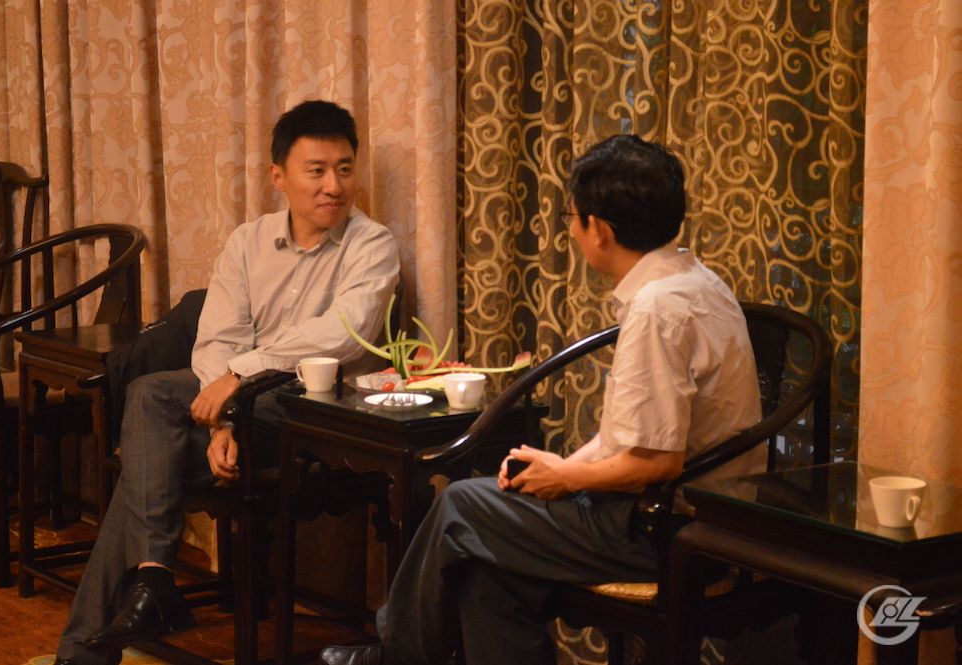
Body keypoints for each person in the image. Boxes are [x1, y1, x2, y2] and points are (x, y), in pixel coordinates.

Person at [319, 134, 764, 665]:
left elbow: (656, 462)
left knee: (459, 505)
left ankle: (396, 655)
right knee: (484, 570)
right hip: (690, 515)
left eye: (571, 216)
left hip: (663, 527)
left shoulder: (657, 309)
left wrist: (567, 478)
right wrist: (557, 468)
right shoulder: (693, 280)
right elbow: (641, 433)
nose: (570, 230)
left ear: (598, 229)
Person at [53, 99, 400, 665]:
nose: (333, 186)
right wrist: (223, 420)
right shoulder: (248, 242)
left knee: (148, 448)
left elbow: (343, 332)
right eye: (316, 170)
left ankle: (101, 635)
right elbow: (216, 338)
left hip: (309, 412)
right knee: (149, 414)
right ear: (279, 177)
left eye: (344, 169)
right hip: (239, 409)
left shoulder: (372, 245)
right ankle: (145, 588)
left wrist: (238, 379)